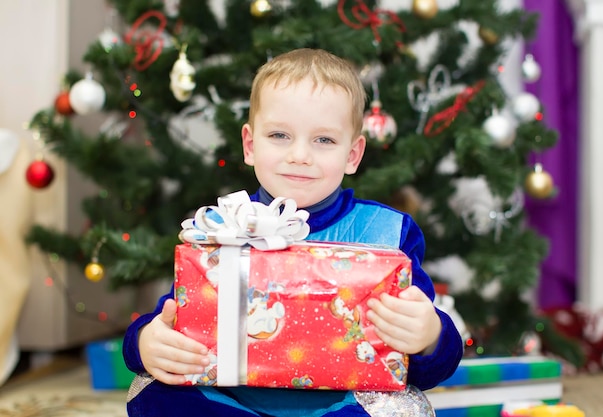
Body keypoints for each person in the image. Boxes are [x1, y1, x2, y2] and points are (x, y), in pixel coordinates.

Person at [123, 48, 463, 417]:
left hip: (340, 407)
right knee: (154, 391)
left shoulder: (387, 232)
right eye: (280, 135)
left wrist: (430, 337)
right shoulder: (222, 226)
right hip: (234, 406)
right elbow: (172, 316)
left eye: (324, 140)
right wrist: (145, 341)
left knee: (402, 409)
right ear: (250, 145)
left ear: (353, 154)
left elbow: (429, 366)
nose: (300, 155)